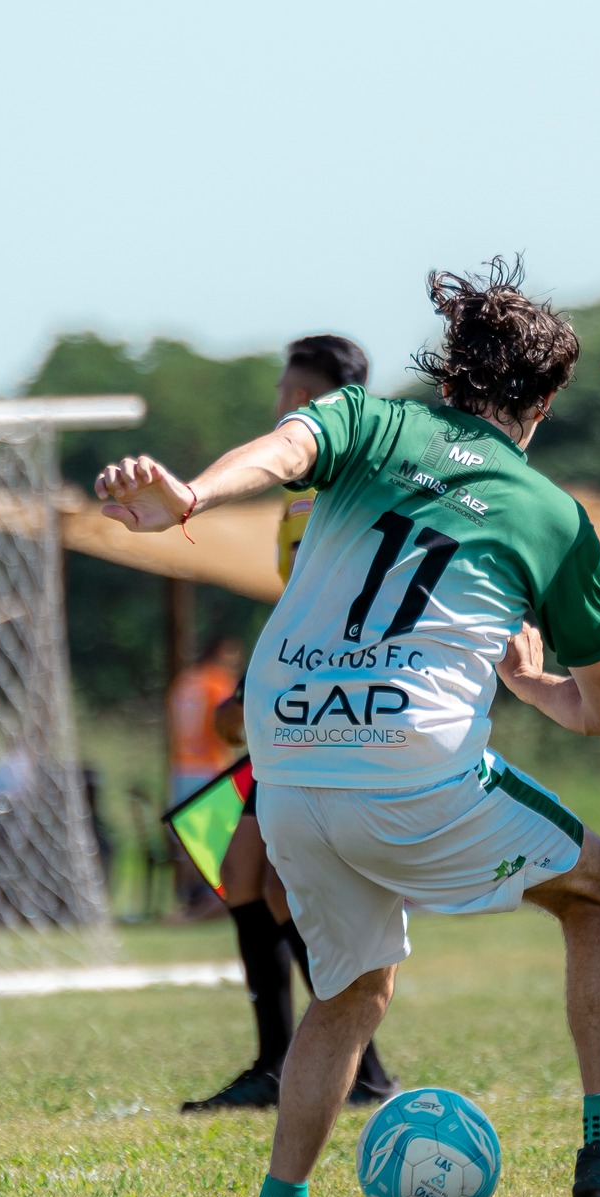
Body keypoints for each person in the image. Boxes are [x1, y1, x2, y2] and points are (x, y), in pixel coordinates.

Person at [95, 258, 600, 1197]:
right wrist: (536, 684)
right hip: (407, 761)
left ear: (451, 373)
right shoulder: (548, 512)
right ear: (542, 401)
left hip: (283, 760)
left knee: (352, 990)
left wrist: (188, 493)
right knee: (599, 891)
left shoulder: (368, 420)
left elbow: (287, 449)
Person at [182, 334, 394, 1114]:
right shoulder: (304, 494)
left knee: (266, 879)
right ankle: (313, 1063)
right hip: (296, 699)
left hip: (321, 708)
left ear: (310, 404)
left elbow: (333, 603)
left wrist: (260, 688)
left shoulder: (335, 485)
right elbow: (300, 600)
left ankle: (339, 1062)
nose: (278, 404)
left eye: (286, 392)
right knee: (248, 876)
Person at [167, 635, 244, 914]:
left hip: (182, 766)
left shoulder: (185, 681)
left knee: (188, 840)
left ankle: (189, 899)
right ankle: (209, 902)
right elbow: (226, 726)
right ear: (221, 653)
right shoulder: (217, 682)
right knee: (215, 840)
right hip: (210, 767)